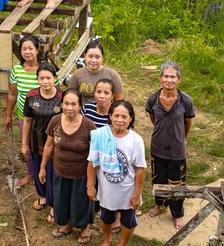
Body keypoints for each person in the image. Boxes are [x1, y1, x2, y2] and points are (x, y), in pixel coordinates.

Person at [87, 101, 146, 246]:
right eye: (116, 115)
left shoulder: (136, 140)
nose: (120, 120)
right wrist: (90, 186)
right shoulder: (101, 136)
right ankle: (106, 240)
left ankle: (122, 244)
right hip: (107, 190)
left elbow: (140, 169)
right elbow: (92, 163)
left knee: (128, 221)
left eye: (124, 116)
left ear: (130, 118)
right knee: (106, 218)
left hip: (127, 190)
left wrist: (137, 194)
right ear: (110, 116)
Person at [40, 89, 95, 243]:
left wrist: (91, 181)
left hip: (81, 174)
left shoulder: (89, 126)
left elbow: (93, 155)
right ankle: (67, 225)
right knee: (61, 200)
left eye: (73, 104)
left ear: (80, 106)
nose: (69, 107)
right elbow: (49, 146)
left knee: (80, 202)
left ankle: (85, 228)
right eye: (66, 103)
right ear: (61, 104)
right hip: (60, 171)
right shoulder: (55, 121)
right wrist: (43, 167)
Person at [146, 61, 195, 230]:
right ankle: (161, 206)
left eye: (172, 76)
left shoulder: (186, 101)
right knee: (158, 180)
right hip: (157, 148)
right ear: (160, 78)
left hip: (177, 151)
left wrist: (183, 139)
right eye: (165, 76)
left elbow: (187, 123)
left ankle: (177, 213)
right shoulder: (153, 99)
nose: (169, 80)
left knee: (176, 183)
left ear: (178, 79)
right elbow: (154, 119)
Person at [21, 62, 62, 224]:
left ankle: (54, 205)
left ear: (55, 79)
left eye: (48, 78)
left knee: (52, 173)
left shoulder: (61, 97)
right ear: (37, 79)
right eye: (42, 78)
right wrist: (24, 144)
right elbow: (27, 121)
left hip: (55, 145)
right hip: (36, 142)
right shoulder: (31, 96)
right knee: (39, 171)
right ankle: (43, 197)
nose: (45, 81)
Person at [5, 35, 48, 188]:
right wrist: (8, 115)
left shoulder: (45, 69)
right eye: (24, 49)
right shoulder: (17, 70)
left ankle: (45, 172)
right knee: (27, 147)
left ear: (37, 50)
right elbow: (12, 94)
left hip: (44, 118)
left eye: (31, 48)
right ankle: (31, 173)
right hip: (24, 116)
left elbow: (57, 93)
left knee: (45, 146)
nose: (27, 52)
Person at [80, 78, 121, 232]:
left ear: (112, 95)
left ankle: (117, 215)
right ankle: (94, 211)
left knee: (112, 184)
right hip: (90, 153)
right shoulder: (87, 108)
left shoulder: (115, 113)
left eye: (106, 92)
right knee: (92, 183)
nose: (101, 96)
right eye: (99, 92)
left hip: (110, 154)